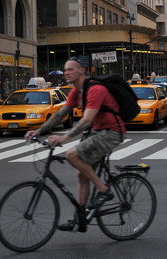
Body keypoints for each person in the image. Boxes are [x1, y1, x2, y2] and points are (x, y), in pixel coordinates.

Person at [26, 56, 125, 232]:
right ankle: (81, 217)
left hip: (111, 132)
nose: (66, 73)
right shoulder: (75, 92)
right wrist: (40, 131)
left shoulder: (95, 89)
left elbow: (87, 120)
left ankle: (103, 189)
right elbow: (60, 114)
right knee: (82, 176)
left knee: (72, 155)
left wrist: (64, 138)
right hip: (96, 132)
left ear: (82, 70)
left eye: (70, 69)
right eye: (65, 70)